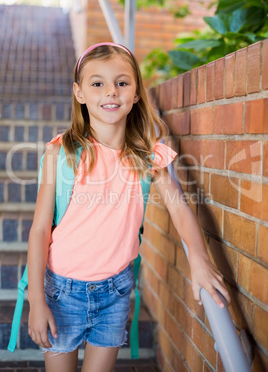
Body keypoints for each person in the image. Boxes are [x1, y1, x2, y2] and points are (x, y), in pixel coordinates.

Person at [27, 42, 230, 372]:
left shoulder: (149, 157)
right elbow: (39, 230)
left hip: (116, 291)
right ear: (79, 93)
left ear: (136, 92)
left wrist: (201, 262)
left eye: (122, 83)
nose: (111, 92)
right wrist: (37, 299)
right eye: (97, 84)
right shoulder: (61, 153)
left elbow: (179, 208)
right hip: (62, 291)